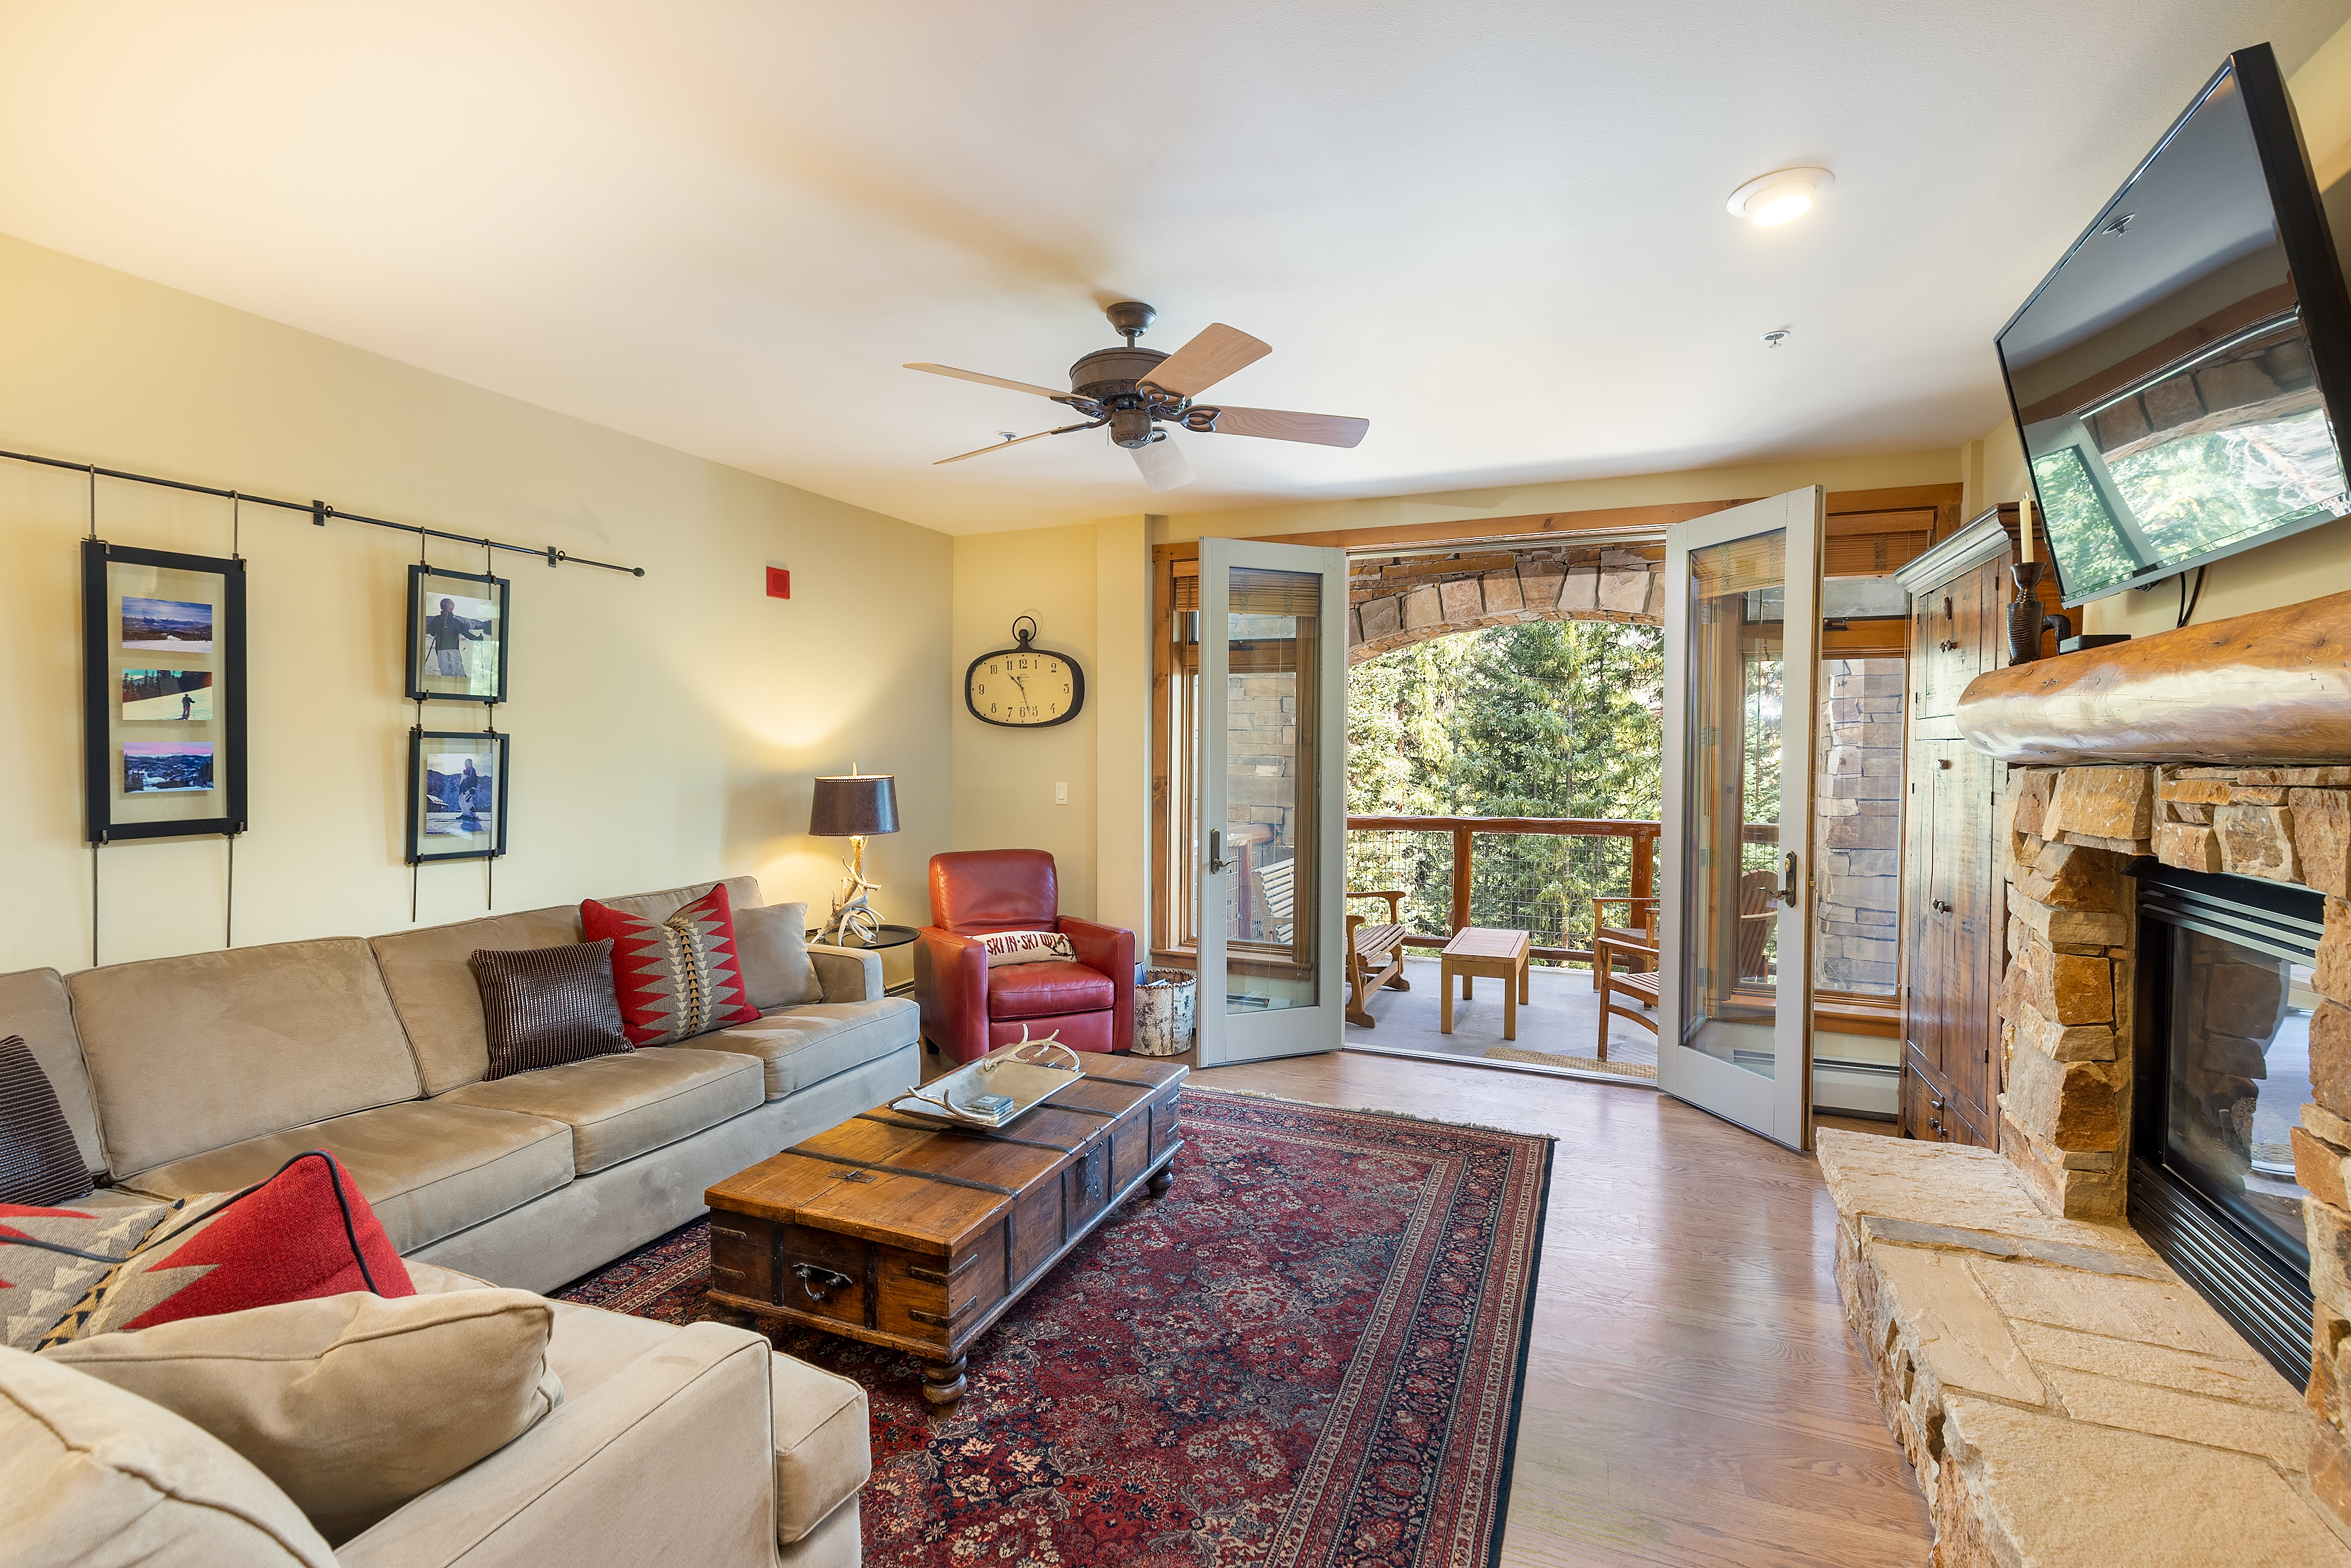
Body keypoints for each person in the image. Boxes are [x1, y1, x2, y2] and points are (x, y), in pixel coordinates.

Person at [424, 597, 487, 679]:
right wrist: (437, 626)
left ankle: (461, 687)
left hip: (451, 648)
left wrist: (476, 638)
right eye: (450, 605)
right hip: (442, 649)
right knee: (446, 671)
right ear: (443, 606)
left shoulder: (455, 622)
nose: (451, 607)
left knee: (457, 670)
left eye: (452, 605)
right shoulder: (438, 620)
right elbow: (432, 632)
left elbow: (465, 632)